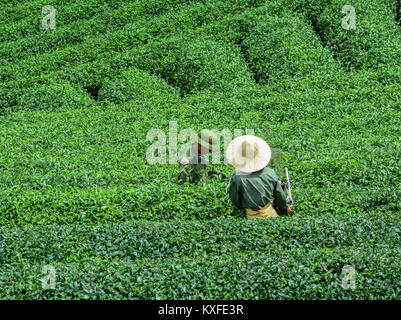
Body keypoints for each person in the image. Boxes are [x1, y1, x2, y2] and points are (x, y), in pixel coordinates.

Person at [226, 135, 293, 218]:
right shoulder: (269, 173)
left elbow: (235, 200)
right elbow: (279, 196)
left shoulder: (237, 178)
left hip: (250, 216)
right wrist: (284, 209)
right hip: (270, 215)